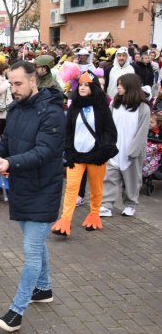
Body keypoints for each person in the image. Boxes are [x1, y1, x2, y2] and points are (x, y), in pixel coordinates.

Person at [0, 61, 66, 332]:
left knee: (31, 251)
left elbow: (45, 152)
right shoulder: (15, 109)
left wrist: (9, 164)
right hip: (21, 187)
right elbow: (8, 140)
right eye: (11, 83)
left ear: (34, 80)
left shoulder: (53, 113)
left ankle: (16, 311)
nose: (14, 88)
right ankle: (44, 288)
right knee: (36, 242)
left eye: (19, 83)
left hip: (44, 189)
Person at [51, 71, 118, 236]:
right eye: (80, 84)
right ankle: (65, 220)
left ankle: (94, 215)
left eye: (86, 85)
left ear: (93, 87)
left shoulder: (102, 107)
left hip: (96, 156)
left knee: (96, 188)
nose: (82, 87)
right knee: (71, 188)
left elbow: (110, 131)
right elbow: (67, 130)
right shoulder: (74, 106)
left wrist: (103, 151)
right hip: (76, 155)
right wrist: (68, 149)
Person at [100, 73, 150, 217]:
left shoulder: (143, 107)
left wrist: (134, 151)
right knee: (110, 177)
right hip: (115, 148)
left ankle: (130, 203)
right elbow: (108, 124)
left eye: (121, 85)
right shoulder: (115, 104)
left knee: (132, 179)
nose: (118, 88)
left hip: (131, 150)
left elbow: (142, 131)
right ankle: (106, 204)